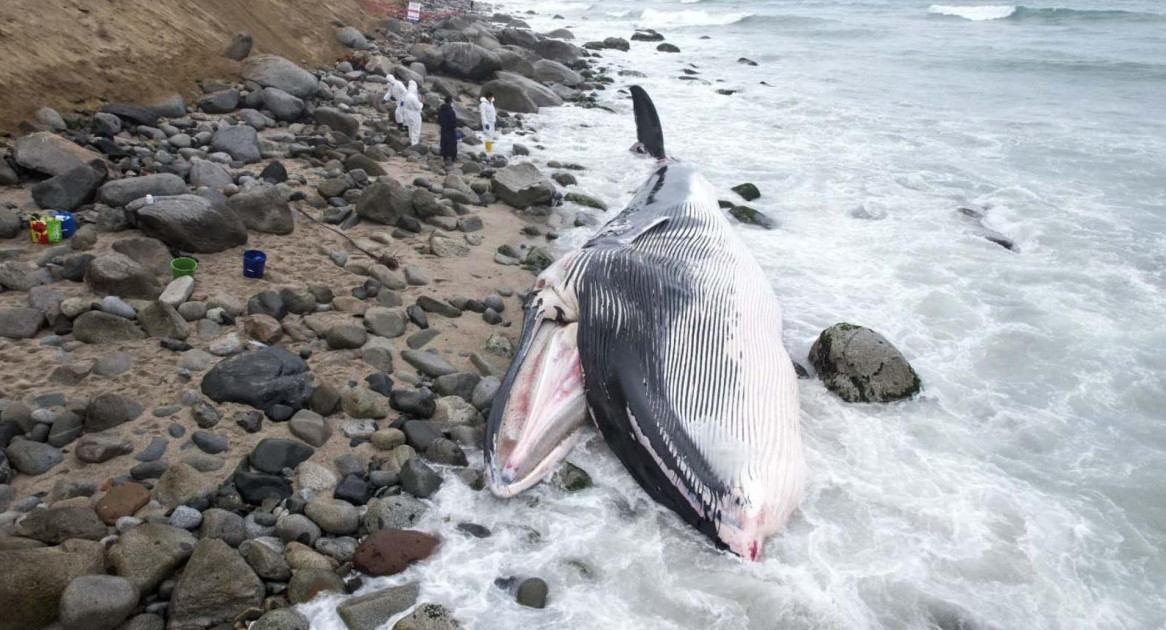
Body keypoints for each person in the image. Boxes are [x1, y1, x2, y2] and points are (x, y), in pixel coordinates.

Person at [438, 95, 459, 165]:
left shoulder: (441, 109)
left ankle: (444, 155)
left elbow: (439, 119)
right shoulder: (451, 111)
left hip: (443, 128)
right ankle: (452, 157)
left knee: (444, 142)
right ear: (450, 102)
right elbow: (453, 122)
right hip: (450, 130)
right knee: (452, 143)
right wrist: (455, 128)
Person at [402, 80, 423, 146]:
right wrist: (421, 103)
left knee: (410, 129)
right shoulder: (413, 97)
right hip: (415, 114)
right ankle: (414, 144)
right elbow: (418, 107)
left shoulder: (406, 95)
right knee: (416, 130)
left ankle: (411, 141)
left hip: (407, 114)